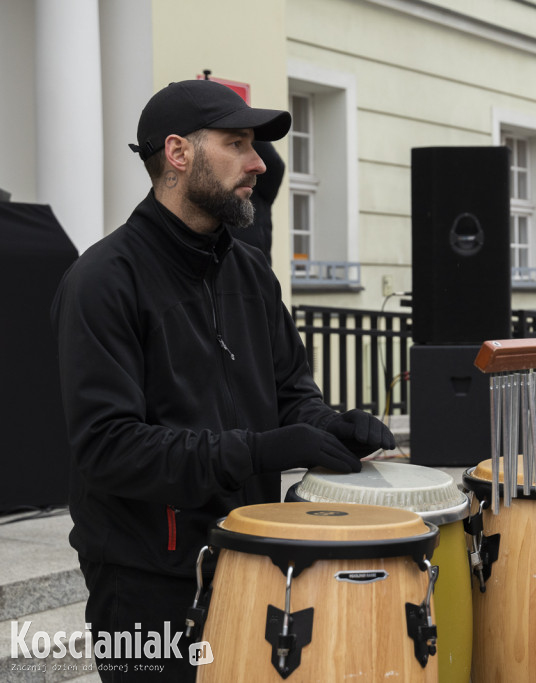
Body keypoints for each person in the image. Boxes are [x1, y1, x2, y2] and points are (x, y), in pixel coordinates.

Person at [51, 79, 395, 681]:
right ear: (179, 154)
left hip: (255, 556)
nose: (258, 163)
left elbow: (291, 393)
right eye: (237, 143)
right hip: (146, 586)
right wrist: (260, 450)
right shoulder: (103, 279)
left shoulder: (251, 271)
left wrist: (330, 426)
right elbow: (110, 448)